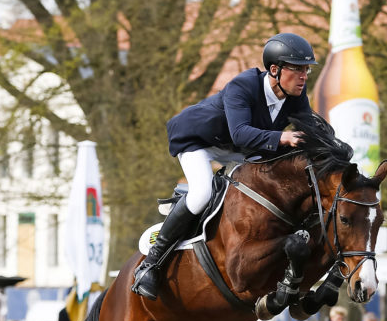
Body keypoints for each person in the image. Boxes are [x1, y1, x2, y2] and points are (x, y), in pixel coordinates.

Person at [131, 33, 318, 300]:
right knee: (201, 194)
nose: (304, 76)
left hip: (239, 150)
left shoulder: (295, 95)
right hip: (200, 142)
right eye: (297, 68)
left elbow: (310, 127)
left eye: (306, 70)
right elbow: (241, 133)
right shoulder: (243, 86)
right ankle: (151, 264)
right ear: (274, 70)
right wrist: (282, 137)